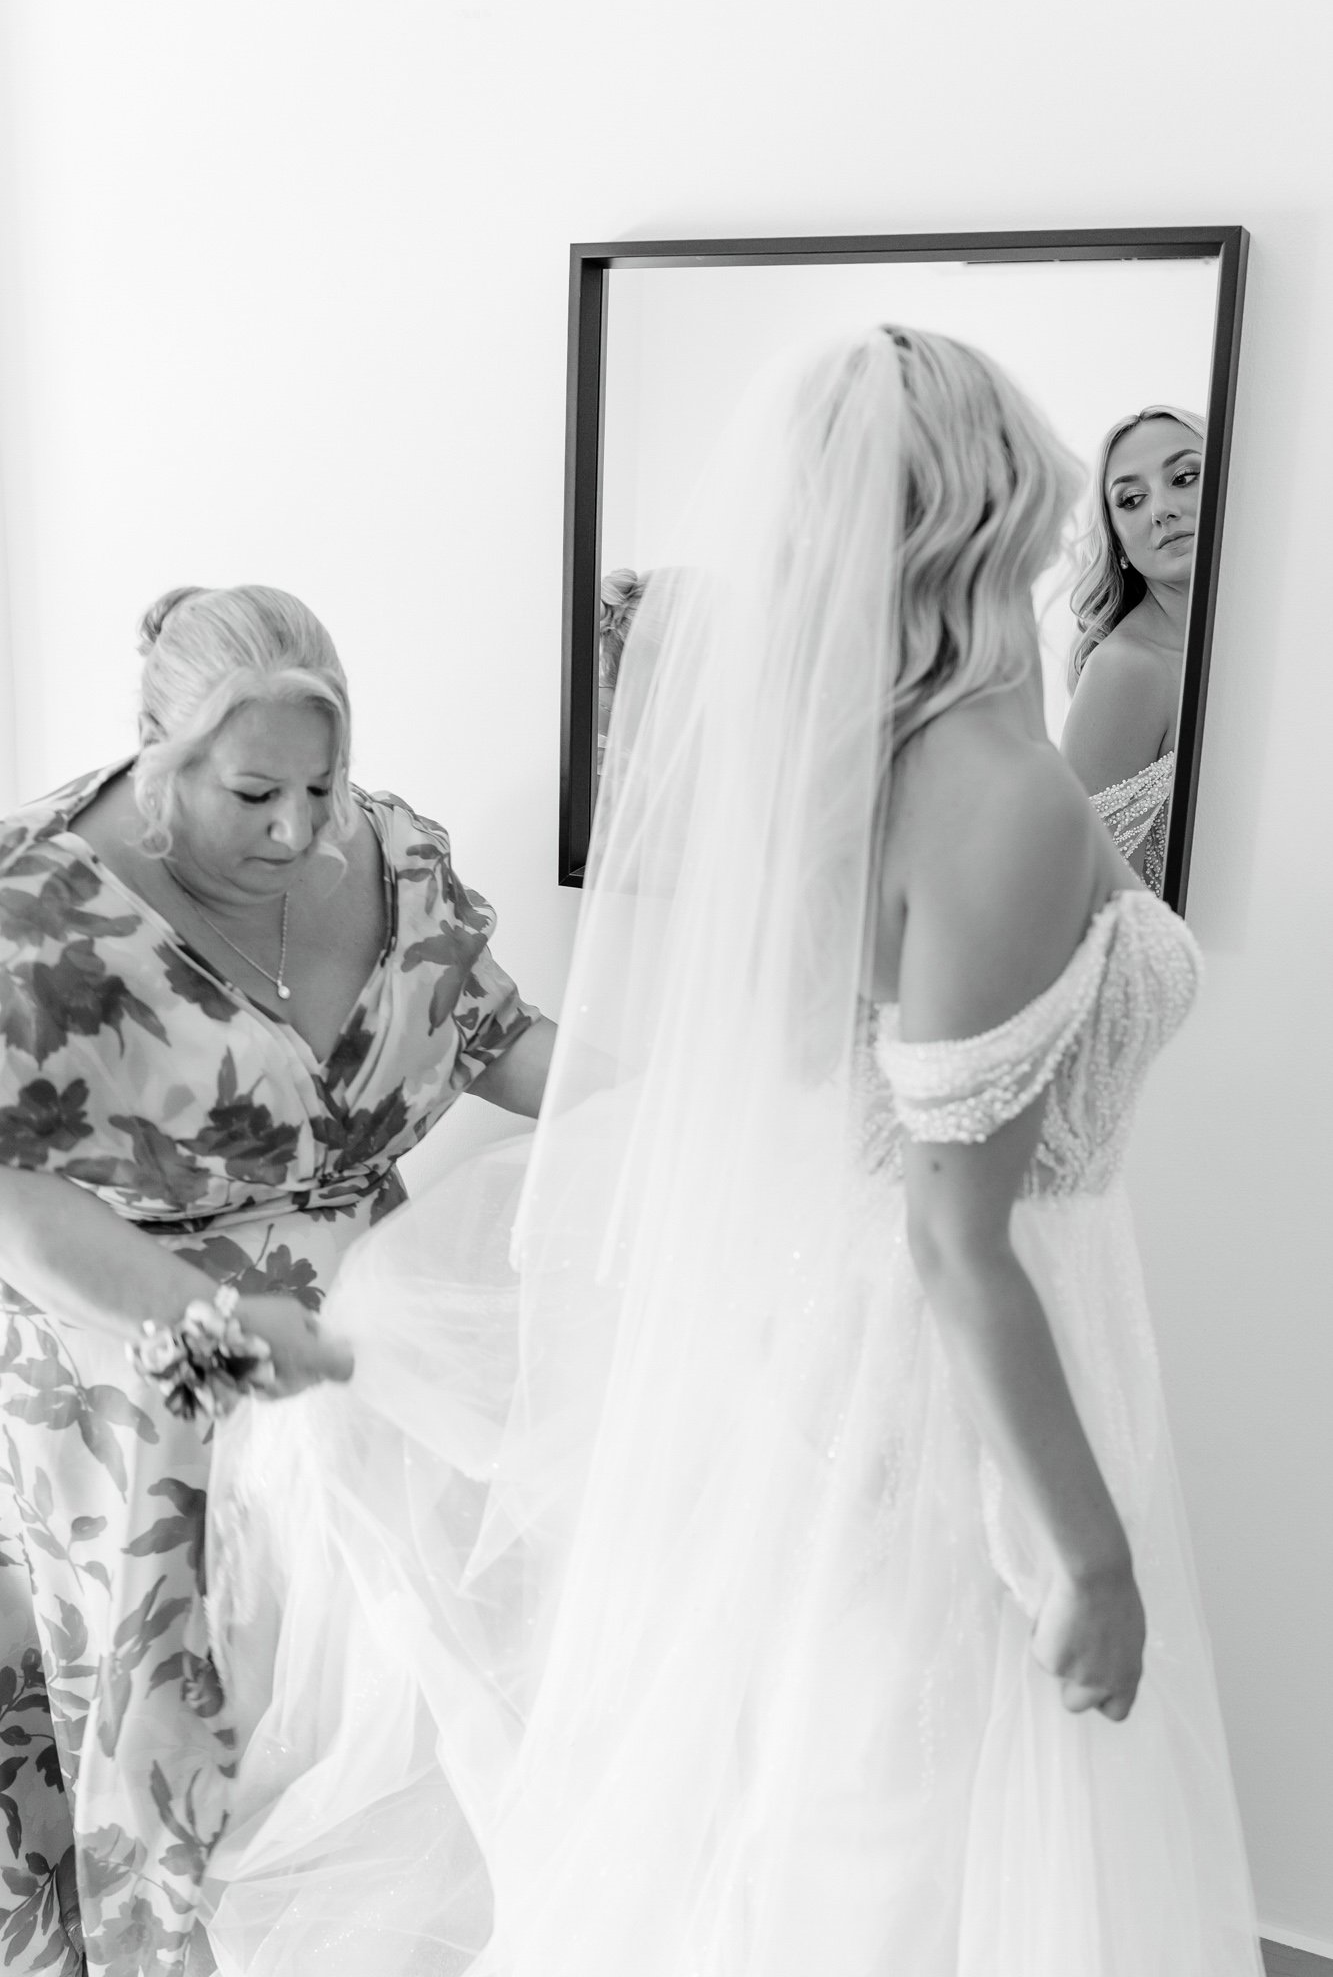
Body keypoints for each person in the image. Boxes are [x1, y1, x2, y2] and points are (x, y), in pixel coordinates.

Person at [201, 340, 1261, 1976]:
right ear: (987, 508)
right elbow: (952, 1236)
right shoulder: (998, 796)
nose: (1077, 511)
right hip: (950, 1352)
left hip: (858, 1331)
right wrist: (1091, 1555)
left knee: (847, 1777)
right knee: (901, 1811)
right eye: (1057, 483)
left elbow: (810, 1085)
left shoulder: (873, 775)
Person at [0, 584, 554, 1975]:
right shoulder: (40, 919)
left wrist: (707, 1109)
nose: (299, 829)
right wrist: (207, 1314)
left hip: (368, 1377)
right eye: (254, 793)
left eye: (324, 783)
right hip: (143, 1389)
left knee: (392, 1737)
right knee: (196, 1773)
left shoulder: (389, 853)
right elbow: (13, 1205)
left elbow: (494, 1032)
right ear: (150, 746)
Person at [1061, 404, 1205, 895]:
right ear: (1119, 544)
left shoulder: (1289, 642)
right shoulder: (1127, 671)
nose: (1161, 508)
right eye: (1131, 500)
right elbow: (1078, 894)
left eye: (1185, 477)